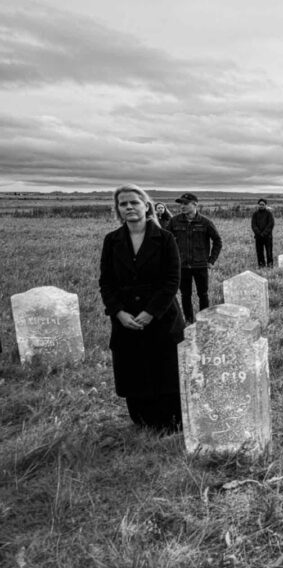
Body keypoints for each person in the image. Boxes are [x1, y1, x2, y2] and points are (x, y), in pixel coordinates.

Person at [100, 184, 185, 433]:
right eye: (123, 204)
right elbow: (106, 282)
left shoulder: (165, 238)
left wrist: (150, 312)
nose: (129, 207)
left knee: (165, 369)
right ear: (118, 209)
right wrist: (118, 312)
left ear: (145, 205)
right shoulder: (112, 241)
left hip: (162, 317)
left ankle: (172, 424)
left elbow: (172, 280)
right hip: (126, 319)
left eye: (134, 202)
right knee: (135, 370)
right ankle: (143, 423)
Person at [166, 192, 222, 323]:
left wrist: (211, 260)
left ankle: (205, 320)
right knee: (185, 295)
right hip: (182, 265)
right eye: (181, 204)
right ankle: (189, 321)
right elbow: (166, 241)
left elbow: (218, 241)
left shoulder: (205, 222)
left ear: (195, 204)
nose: (182, 206)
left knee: (203, 294)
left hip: (200, 265)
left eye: (185, 204)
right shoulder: (174, 221)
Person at [251, 198, 275, 268]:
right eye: (260, 204)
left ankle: (270, 266)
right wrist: (258, 233)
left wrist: (264, 233)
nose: (261, 206)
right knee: (259, 252)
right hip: (258, 237)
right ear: (258, 205)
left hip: (268, 237)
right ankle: (261, 265)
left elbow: (271, 224)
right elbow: (253, 225)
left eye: (263, 205)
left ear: (265, 205)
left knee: (269, 252)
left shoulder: (269, 214)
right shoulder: (255, 214)